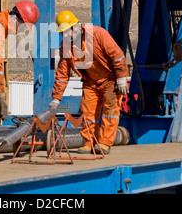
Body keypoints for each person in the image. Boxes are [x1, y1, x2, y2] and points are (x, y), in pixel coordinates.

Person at [49, 10, 129, 155]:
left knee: (110, 111)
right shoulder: (66, 46)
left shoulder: (98, 34)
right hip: (91, 81)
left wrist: (122, 76)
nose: (64, 35)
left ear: (76, 27)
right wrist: (56, 98)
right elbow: (62, 72)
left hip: (110, 80)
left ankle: (104, 143)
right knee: (87, 112)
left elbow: (117, 55)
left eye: (66, 32)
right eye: (62, 33)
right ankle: (89, 142)